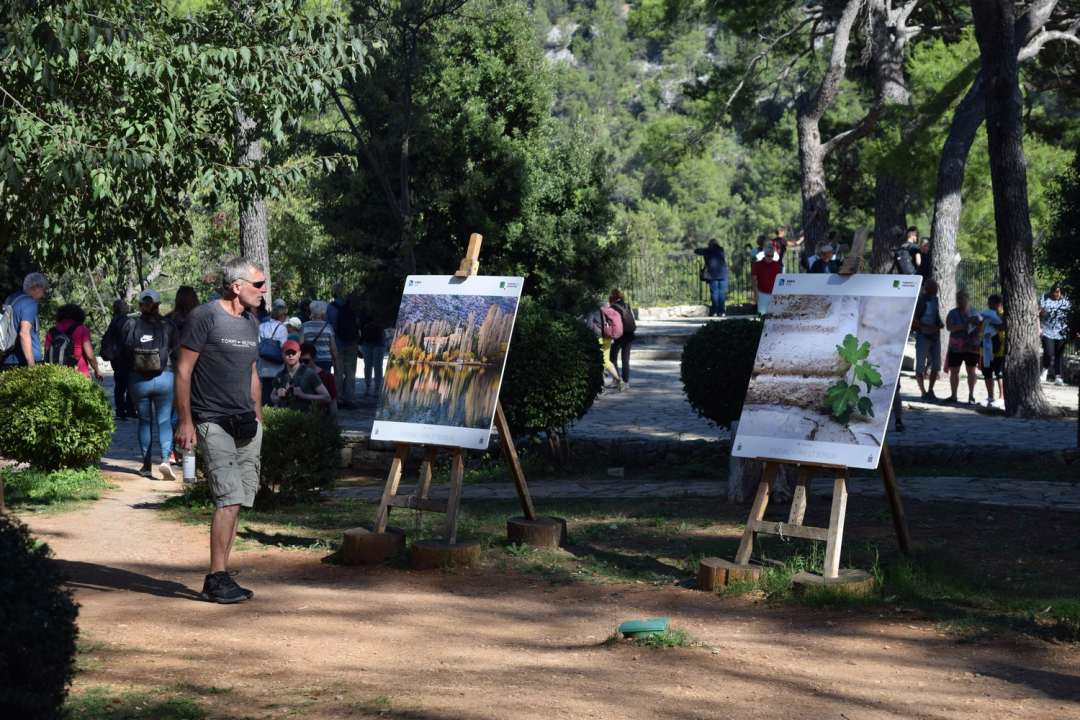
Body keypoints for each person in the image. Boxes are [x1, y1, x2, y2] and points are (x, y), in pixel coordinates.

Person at [174, 256, 266, 604]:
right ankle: (215, 577)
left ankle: (222, 575)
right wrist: (186, 421)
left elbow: (252, 373)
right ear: (237, 286)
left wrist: (259, 418)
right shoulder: (205, 316)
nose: (263, 290)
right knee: (228, 498)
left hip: (246, 422)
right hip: (212, 419)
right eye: (258, 284)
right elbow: (183, 370)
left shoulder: (251, 322)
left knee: (238, 500)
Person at [123, 289, 180, 480]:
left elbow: (125, 351)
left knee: (144, 421)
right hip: (165, 377)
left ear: (140, 305)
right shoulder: (168, 325)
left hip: (139, 380)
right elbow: (177, 353)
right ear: (159, 305)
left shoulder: (131, 324)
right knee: (164, 421)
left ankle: (146, 465)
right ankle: (165, 459)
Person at [44, 304, 104, 380]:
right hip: (80, 373)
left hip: (57, 374)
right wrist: (96, 369)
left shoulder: (51, 331)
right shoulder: (82, 329)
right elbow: (90, 355)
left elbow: (47, 355)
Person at [2, 272, 48, 369]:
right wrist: (32, 366)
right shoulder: (30, 302)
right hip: (23, 362)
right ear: (35, 287)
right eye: (44, 291)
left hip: (7, 360)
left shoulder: (10, 299)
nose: (44, 296)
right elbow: (24, 333)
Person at [945, 290, 982, 404]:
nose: (960, 300)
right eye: (958, 298)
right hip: (956, 347)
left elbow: (981, 327)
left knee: (971, 371)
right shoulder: (952, 313)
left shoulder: (975, 313)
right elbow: (949, 327)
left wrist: (976, 335)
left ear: (968, 298)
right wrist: (962, 326)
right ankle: (953, 396)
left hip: (971, 348)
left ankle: (971, 396)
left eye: (962, 298)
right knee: (954, 371)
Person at [272, 339, 330, 412]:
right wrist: (278, 397)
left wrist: (303, 395)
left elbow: (327, 397)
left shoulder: (310, 373)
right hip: (285, 417)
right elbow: (272, 396)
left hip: (306, 417)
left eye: (293, 353)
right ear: (282, 355)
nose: (290, 355)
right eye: (287, 353)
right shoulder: (280, 375)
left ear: (299, 353)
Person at [327, 283, 360, 408]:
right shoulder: (352, 305)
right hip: (352, 343)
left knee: (338, 372)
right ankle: (350, 399)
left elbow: (327, 325)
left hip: (337, 343)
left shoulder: (330, 307)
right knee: (351, 373)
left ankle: (339, 399)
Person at [102, 299, 136, 420]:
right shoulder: (128, 321)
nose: (128, 305)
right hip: (126, 358)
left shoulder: (113, 321)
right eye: (125, 304)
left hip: (115, 358)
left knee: (120, 385)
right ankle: (130, 410)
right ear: (121, 308)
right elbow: (130, 341)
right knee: (131, 384)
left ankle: (120, 410)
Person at [911, 279, 943, 400]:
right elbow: (914, 320)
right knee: (920, 366)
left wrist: (939, 323)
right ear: (926, 289)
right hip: (923, 336)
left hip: (935, 337)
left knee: (936, 366)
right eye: (932, 288)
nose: (935, 291)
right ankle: (923, 392)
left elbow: (936, 314)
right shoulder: (920, 301)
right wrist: (927, 326)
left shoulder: (936, 300)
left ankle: (930, 390)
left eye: (936, 288)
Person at [586, 304, 625, 391]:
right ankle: (619, 379)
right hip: (608, 335)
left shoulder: (592, 306)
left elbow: (589, 324)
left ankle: (601, 385)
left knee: (598, 360)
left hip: (597, 336)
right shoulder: (606, 305)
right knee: (606, 360)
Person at [1038, 282, 1071, 385]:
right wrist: (1038, 328)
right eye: (1056, 292)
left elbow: (1071, 314)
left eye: (1061, 292)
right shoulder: (1045, 298)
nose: (1058, 294)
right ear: (1052, 291)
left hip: (1061, 331)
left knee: (1059, 354)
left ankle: (1058, 376)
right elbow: (1037, 313)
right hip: (1047, 330)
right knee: (1049, 352)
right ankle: (1045, 368)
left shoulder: (1066, 301)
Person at [257, 304, 289, 404]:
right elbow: (283, 346)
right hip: (277, 362)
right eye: (285, 314)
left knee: (266, 388)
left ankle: (266, 409)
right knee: (279, 388)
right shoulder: (282, 328)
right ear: (281, 315)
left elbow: (259, 342)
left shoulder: (262, 326)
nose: (286, 317)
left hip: (264, 362)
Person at [980, 294, 1005, 409]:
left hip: (999, 349)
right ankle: (990, 397)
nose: (989, 306)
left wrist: (992, 319)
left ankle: (1002, 397)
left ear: (999, 304)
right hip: (986, 350)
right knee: (987, 373)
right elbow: (982, 329)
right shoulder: (988, 315)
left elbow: (1001, 327)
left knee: (999, 373)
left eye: (992, 303)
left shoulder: (1004, 315)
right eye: (988, 303)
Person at [301, 301, 338, 376]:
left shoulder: (305, 326)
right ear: (323, 313)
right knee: (324, 380)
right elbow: (333, 348)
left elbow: (301, 345)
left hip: (309, 359)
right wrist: (336, 362)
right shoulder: (328, 327)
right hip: (325, 360)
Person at [608, 289, 636, 387]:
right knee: (625, 359)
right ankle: (626, 382)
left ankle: (616, 380)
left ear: (612, 297)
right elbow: (633, 318)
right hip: (629, 335)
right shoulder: (627, 306)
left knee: (612, 357)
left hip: (619, 336)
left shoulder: (612, 308)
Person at [300, 342, 338, 414]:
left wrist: (334, 419)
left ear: (315, 358)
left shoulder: (327, 376)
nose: (302, 364)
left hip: (321, 417)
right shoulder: (295, 374)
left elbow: (333, 402)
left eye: (306, 361)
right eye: (300, 361)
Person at [694, 239, 728, 317]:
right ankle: (722, 312)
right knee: (722, 293)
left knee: (714, 293)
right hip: (723, 273)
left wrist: (702, 248)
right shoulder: (721, 249)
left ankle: (715, 312)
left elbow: (696, 251)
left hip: (713, 274)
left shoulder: (707, 250)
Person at [358, 305, 386, 399]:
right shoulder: (363, 310)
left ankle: (377, 388)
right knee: (368, 364)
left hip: (378, 340)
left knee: (377, 365)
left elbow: (387, 323)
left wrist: (377, 325)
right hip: (366, 340)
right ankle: (368, 386)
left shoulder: (381, 308)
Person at [751, 246, 782, 314]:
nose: (770, 257)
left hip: (774, 294)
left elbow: (780, 280)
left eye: (772, 256)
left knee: (774, 315)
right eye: (768, 256)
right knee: (762, 315)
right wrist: (755, 293)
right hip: (762, 294)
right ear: (764, 255)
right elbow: (753, 280)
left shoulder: (776, 264)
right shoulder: (757, 265)